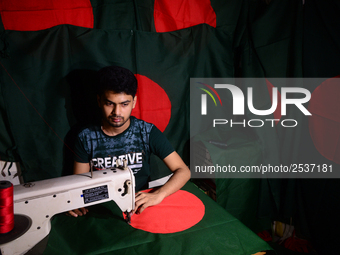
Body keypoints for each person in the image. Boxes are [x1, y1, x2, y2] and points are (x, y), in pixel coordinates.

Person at [68, 66, 191, 217]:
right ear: (99, 101)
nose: (117, 112)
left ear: (134, 102)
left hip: (138, 206)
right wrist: (74, 202)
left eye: (124, 104)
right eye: (110, 103)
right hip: (100, 208)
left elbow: (183, 171)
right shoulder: (86, 137)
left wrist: (159, 195)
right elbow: (79, 185)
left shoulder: (146, 131)